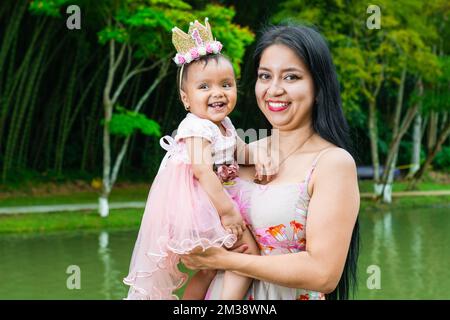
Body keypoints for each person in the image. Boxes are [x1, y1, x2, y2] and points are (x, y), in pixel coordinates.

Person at [180, 24, 361, 300]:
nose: (274, 89)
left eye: (291, 77)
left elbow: (323, 274)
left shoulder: (332, 164)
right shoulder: (236, 153)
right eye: (265, 76)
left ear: (318, 86)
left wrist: (225, 261)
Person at [123, 18, 274, 300]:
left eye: (226, 85)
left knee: (208, 270)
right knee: (248, 254)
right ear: (186, 99)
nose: (218, 93)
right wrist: (228, 212)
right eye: (204, 87)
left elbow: (240, 148)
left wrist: (259, 158)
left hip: (207, 203)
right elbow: (203, 171)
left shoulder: (223, 124)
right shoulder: (195, 127)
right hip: (195, 207)